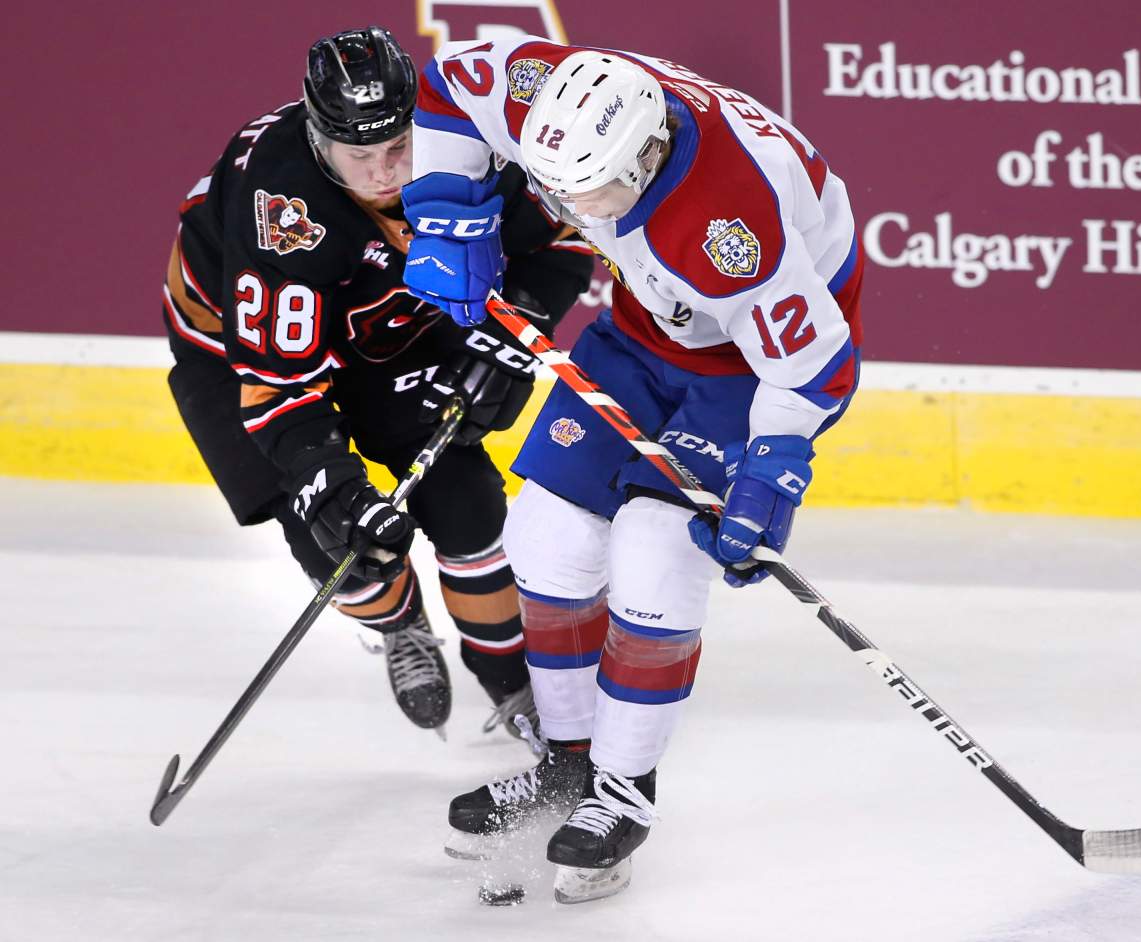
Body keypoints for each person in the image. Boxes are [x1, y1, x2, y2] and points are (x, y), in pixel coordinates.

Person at [399, 39, 865, 901]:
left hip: (750, 366)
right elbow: (445, 81)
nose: (571, 206)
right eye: (557, 184)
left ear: (648, 156)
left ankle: (624, 789)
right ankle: (568, 764)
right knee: (543, 538)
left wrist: (770, 470)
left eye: (590, 189)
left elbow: (817, 364)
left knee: (658, 547)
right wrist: (443, 210)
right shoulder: (542, 93)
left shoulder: (728, 229)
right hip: (645, 332)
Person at [162, 26, 592, 743]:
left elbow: (559, 243)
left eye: (400, 147)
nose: (387, 173)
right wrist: (329, 483)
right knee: (338, 545)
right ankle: (401, 625)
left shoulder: (461, 139)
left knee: (467, 503)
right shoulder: (283, 213)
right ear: (319, 139)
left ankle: (516, 686)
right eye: (360, 156)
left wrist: (514, 332)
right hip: (235, 351)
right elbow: (278, 387)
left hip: (381, 316)